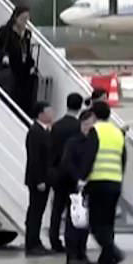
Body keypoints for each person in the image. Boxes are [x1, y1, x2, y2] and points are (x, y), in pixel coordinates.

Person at [78, 100, 126, 264]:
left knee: (96, 226)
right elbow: (123, 160)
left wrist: (82, 178)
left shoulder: (95, 131)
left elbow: (89, 156)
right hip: (114, 183)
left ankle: (114, 252)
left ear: (94, 115)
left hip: (98, 183)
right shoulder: (118, 132)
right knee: (108, 224)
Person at [60, 107, 96, 264]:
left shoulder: (94, 142)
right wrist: (78, 179)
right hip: (74, 187)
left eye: (92, 123)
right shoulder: (73, 142)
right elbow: (67, 163)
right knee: (73, 221)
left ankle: (82, 252)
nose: (89, 126)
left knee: (85, 222)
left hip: (89, 186)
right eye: (87, 123)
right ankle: (72, 254)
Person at [48, 92, 84, 253]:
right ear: (80, 106)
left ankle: (54, 239)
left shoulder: (56, 126)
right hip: (73, 174)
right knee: (73, 208)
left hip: (58, 172)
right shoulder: (78, 127)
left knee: (57, 207)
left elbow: (52, 150)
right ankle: (72, 241)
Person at [0, 7, 36, 115]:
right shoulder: (5, 31)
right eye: (23, 19)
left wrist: (31, 64)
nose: (25, 22)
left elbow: (27, 52)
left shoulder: (26, 34)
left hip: (21, 70)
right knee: (7, 93)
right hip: (9, 68)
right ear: (15, 18)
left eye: (27, 19)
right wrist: (3, 56)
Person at [24, 101, 54, 256]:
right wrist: (40, 180)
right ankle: (32, 243)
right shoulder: (35, 132)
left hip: (44, 178)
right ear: (41, 114)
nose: (52, 113)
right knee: (35, 211)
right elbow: (34, 158)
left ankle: (35, 241)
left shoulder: (44, 131)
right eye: (49, 111)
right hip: (38, 180)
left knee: (39, 211)